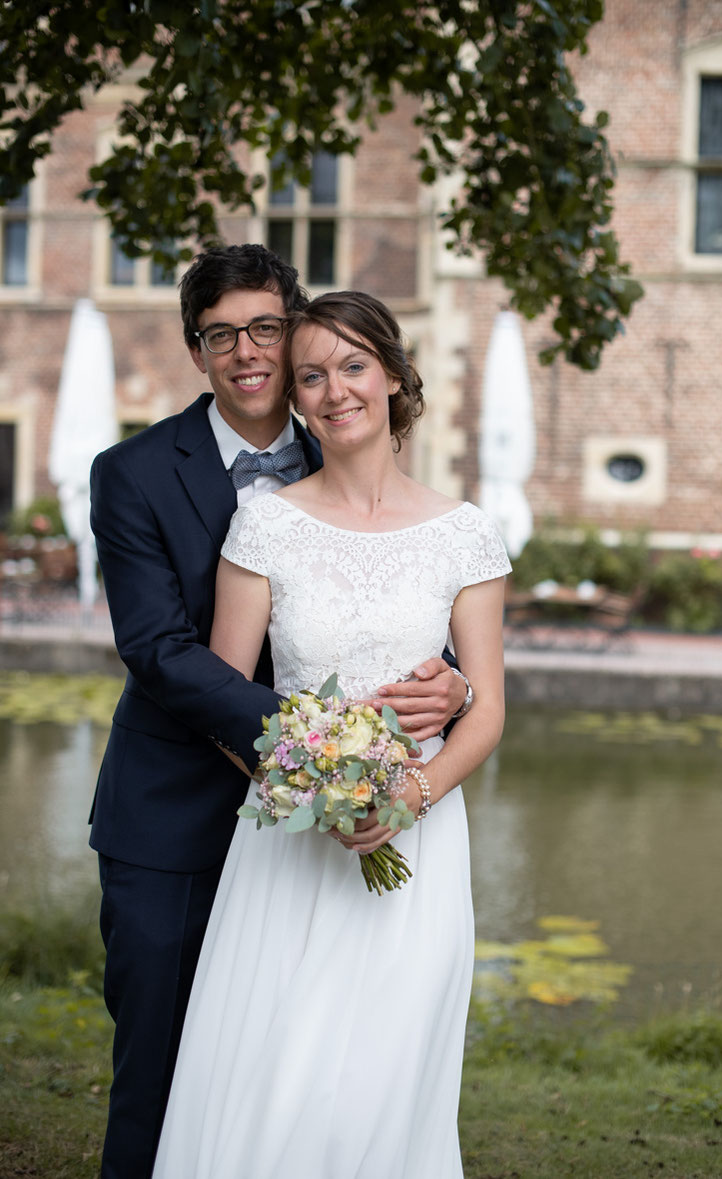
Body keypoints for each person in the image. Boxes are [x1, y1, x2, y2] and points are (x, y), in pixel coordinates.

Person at [89, 247, 468, 1179]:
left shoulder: (341, 436)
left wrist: (453, 683)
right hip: (173, 817)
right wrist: (317, 744)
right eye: (222, 335)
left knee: (315, 1073)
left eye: (265, 328)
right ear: (196, 351)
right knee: (165, 1068)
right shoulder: (130, 473)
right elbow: (157, 649)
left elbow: (400, 595)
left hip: (323, 843)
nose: (247, 352)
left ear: (292, 333)